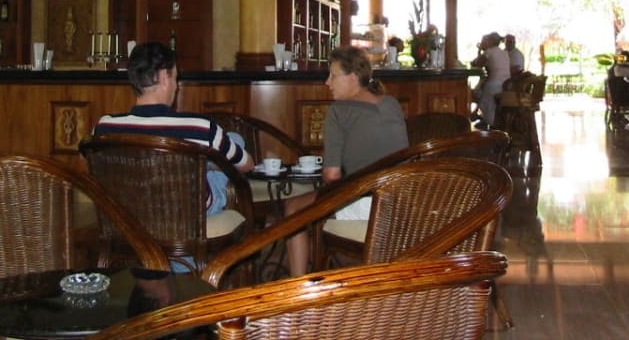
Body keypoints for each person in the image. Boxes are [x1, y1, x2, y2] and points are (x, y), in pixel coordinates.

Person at [94, 41, 253, 267]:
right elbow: (246, 166)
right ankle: (185, 267)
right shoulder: (199, 127)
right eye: (176, 78)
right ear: (164, 76)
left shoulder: (103, 127)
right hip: (185, 212)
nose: (177, 86)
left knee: (198, 163)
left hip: (129, 213)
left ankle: (160, 267)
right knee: (232, 142)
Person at [286, 45, 408, 276]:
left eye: (333, 75)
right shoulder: (391, 103)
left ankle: (298, 288)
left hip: (369, 204)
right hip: (400, 201)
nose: (327, 82)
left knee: (293, 208)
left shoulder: (338, 111)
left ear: (353, 77)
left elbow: (332, 176)